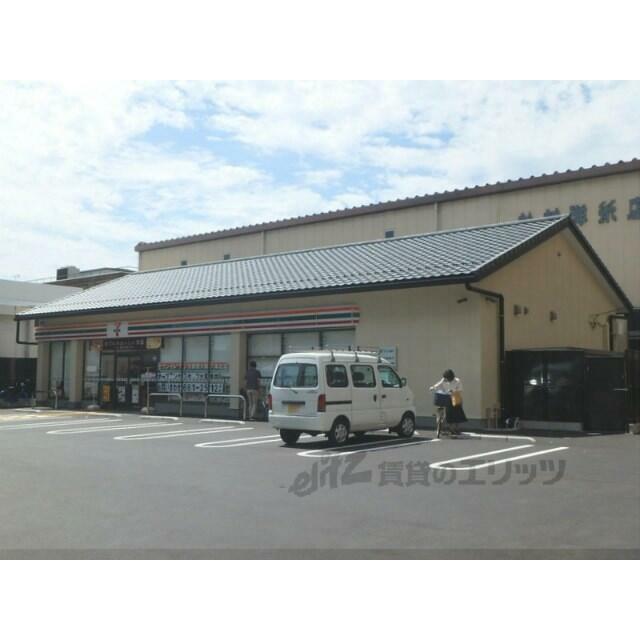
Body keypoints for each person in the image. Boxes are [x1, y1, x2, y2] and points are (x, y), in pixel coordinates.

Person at [429, 369, 467, 435]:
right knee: (444, 410)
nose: (446, 380)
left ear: (451, 377)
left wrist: (453, 391)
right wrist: (433, 387)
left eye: (448, 378)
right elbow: (438, 384)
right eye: (446, 378)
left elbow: (460, 390)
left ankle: (455, 428)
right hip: (446, 396)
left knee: (456, 412)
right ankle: (443, 427)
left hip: (455, 397)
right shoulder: (444, 379)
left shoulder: (457, 381)